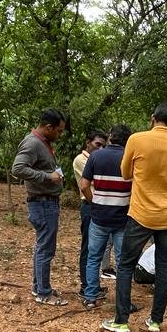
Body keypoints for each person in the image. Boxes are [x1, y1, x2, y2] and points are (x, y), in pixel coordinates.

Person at [102, 102, 167, 332]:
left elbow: (125, 173)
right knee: (163, 268)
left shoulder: (136, 140)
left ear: (153, 118)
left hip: (140, 214)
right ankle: (155, 321)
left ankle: (121, 321)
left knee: (126, 265)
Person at [11, 107, 67, 305]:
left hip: (46, 202)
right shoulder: (33, 143)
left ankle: (40, 287)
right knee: (45, 248)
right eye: (59, 131)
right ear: (48, 127)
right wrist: (47, 177)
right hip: (42, 203)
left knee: (42, 247)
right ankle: (43, 293)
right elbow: (18, 168)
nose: (60, 135)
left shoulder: (43, 143)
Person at [79, 124, 132, 309]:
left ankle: (91, 297)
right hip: (122, 219)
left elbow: (84, 185)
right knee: (123, 261)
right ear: (128, 140)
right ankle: (122, 301)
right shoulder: (130, 158)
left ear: (110, 137)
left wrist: (94, 203)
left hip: (99, 217)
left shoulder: (95, 156)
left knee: (93, 257)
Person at [73, 130, 109, 297]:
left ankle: (92, 284)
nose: (101, 149)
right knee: (88, 247)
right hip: (90, 205)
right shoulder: (81, 160)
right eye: (97, 145)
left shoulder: (98, 159)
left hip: (101, 206)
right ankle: (86, 285)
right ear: (88, 142)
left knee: (97, 248)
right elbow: (90, 182)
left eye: (103, 145)